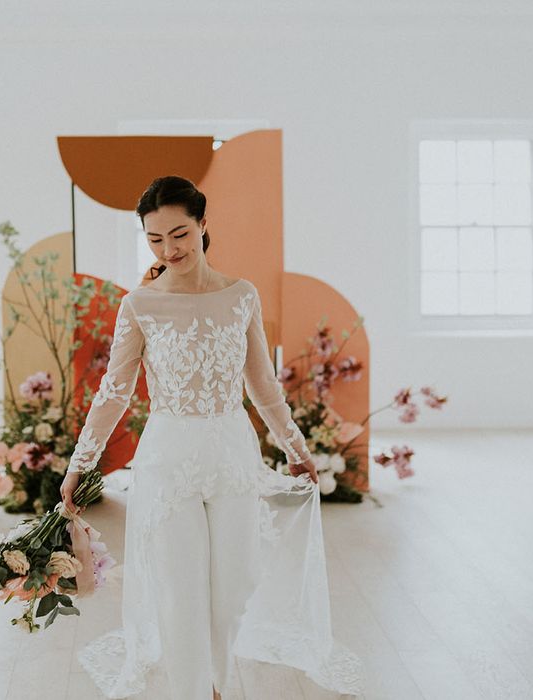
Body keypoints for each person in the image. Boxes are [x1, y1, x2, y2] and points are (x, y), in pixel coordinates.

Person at [60, 176, 365, 699]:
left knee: (232, 588)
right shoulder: (140, 305)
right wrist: (79, 463)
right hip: (167, 460)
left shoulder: (240, 295)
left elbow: (262, 385)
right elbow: (114, 392)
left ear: (204, 225)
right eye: (155, 239)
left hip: (231, 454)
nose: (169, 249)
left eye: (179, 233)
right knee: (179, 592)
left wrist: (296, 446)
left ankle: (219, 683)